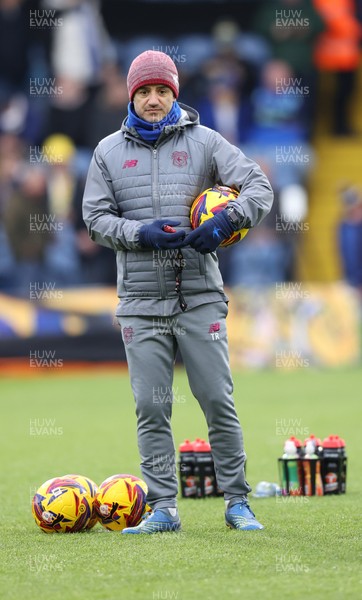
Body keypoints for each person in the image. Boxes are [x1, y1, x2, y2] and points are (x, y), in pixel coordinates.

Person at [82, 50, 274, 534]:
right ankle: (163, 508)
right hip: (140, 305)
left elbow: (259, 187)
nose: (152, 99)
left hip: (200, 298)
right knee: (152, 407)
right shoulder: (106, 152)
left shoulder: (207, 142)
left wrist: (227, 221)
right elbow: (94, 220)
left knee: (216, 400)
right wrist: (140, 233)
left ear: (175, 94)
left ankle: (237, 502)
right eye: (143, 91)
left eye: (161, 90)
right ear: (131, 96)